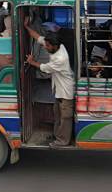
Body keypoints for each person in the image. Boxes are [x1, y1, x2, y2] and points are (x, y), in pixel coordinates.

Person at [24, 18, 75, 147]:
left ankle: (62, 141)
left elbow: (43, 68)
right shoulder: (56, 45)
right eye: (45, 45)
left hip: (65, 92)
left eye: (47, 46)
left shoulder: (60, 59)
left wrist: (31, 62)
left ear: (54, 46)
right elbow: (37, 37)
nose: (45, 47)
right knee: (57, 115)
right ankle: (58, 135)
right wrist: (26, 27)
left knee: (65, 118)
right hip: (58, 89)